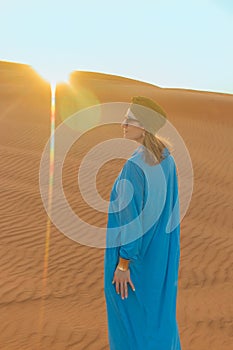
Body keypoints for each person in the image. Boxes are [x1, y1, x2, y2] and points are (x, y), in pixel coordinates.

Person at [104, 96, 181, 350]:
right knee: (157, 319)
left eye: (129, 119)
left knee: (129, 325)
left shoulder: (134, 167)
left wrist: (123, 264)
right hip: (159, 260)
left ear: (144, 126)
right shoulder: (166, 158)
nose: (123, 123)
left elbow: (132, 222)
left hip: (133, 263)